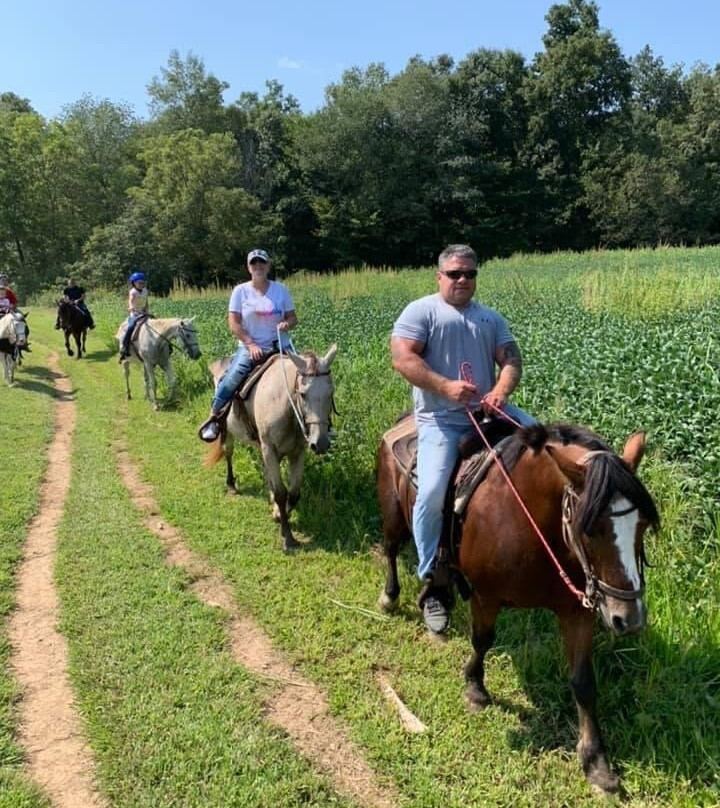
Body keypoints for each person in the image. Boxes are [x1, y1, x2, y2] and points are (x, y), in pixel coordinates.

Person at [390, 244, 536, 635]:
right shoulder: (421, 311)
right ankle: (431, 575)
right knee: (432, 491)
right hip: (442, 418)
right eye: (454, 273)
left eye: (470, 274)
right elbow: (403, 358)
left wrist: (501, 390)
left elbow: (511, 359)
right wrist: (445, 387)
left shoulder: (490, 318)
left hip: (491, 412)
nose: (462, 280)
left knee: (548, 447)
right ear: (439, 276)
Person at [198, 249, 297, 442]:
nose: (258, 266)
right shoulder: (240, 291)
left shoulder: (281, 290)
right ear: (249, 267)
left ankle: (320, 426)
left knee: (309, 375)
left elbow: (293, 317)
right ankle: (214, 418)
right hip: (250, 346)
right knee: (232, 377)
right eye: (254, 263)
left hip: (280, 345)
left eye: (262, 262)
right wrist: (250, 344)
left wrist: (287, 323)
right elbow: (234, 323)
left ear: (268, 266)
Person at [118, 271, 149, 362]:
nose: (141, 284)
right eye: (139, 283)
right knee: (130, 327)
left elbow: (146, 302)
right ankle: (124, 347)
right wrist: (131, 307)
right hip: (135, 314)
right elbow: (130, 301)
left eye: (142, 283)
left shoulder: (145, 291)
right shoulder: (133, 292)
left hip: (144, 313)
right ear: (134, 283)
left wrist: (147, 310)